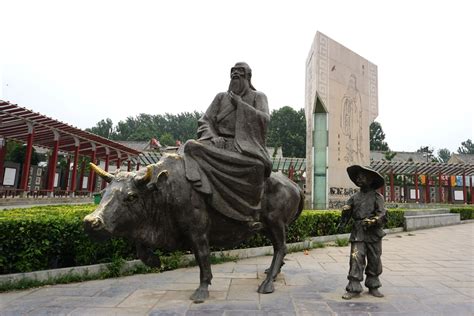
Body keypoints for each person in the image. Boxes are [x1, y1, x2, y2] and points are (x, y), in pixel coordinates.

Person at [182, 62, 271, 230]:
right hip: (217, 145)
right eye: (233, 73)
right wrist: (213, 137)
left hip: (244, 148)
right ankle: (201, 193)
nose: (235, 76)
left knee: (257, 166)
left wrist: (241, 105)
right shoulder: (220, 98)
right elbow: (205, 121)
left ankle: (250, 213)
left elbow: (264, 120)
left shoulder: (258, 97)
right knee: (190, 146)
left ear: (248, 77)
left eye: (240, 73)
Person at [338, 165, 387, 299]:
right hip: (358, 232)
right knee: (356, 258)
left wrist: (373, 221)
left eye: (363, 176)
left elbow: (382, 214)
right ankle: (353, 286)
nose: (359, 179)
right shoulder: (354, 198)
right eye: (357, 177)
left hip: (373, 232)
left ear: (371, 180)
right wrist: (345, 213)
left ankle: (373, 284)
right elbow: (345, 218)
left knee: (374, 259)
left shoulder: (378, 197)